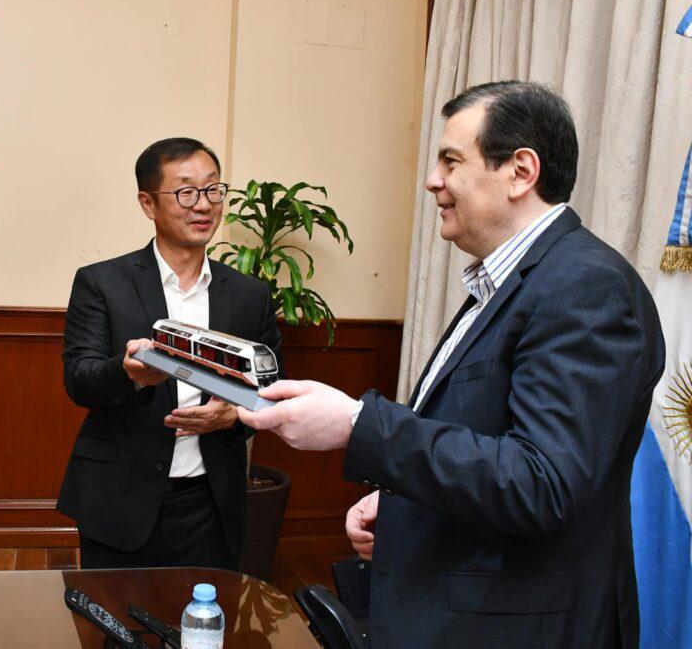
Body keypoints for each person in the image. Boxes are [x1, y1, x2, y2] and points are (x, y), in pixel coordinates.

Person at [238, 82, 665, 647]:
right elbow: (487, 437)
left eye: (450, 161)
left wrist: (358, 425)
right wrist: (405, 502)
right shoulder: (512, 280)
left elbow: (542, 483)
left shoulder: (585, 285)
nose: (432, 181)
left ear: (520, 171)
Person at [57, 137, 282, 570]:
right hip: (121, 495)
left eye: (214, 190)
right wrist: (129, 375)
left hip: (211, 500)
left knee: (202, 631)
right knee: (115, 629)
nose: (204, 205)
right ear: (147, 203)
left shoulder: (249, 295)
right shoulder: (102, 282)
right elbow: (79, 379)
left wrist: (233, 415)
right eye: (186, 192)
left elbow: (272, 387)